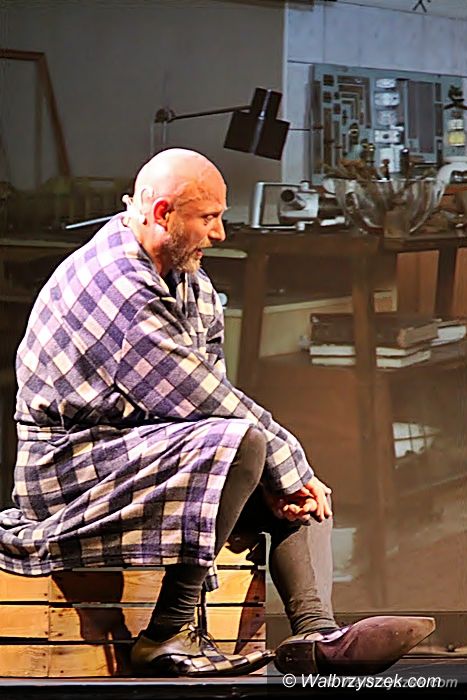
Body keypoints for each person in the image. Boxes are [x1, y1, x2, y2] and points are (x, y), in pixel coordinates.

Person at [0, 148, 434, 678]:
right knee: (252, 447)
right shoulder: (113, 283)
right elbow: (199, 399)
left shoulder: (191, 284)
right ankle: (167, 632)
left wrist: (281, 478)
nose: (220, 233)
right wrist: (287, 461)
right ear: (163, 213)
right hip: (71, 468)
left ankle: (315, 634)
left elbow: (209, 399)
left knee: (275, 474)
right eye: (207, 217)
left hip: (137, 453)